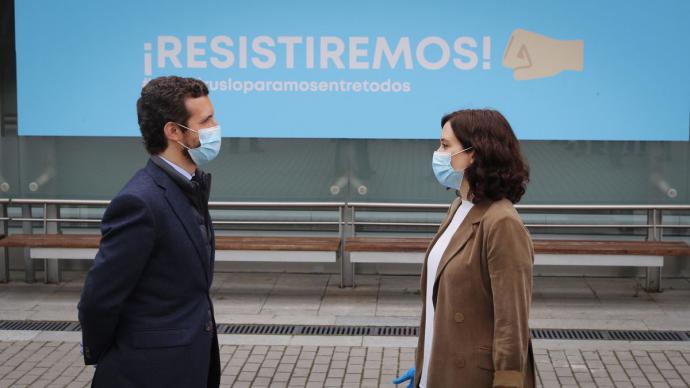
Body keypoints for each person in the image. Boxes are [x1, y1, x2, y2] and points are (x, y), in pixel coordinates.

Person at [78, 76, 222, 387]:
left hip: (188, 365)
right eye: (206, 119)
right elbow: (98, 299)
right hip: (148, 372)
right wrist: (114, 353)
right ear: (173, 131)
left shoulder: (187, 186)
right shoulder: (140, 201)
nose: (215, 126)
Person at [394, 109, 535, 387]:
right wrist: (425, 367)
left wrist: (508, 381)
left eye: (446, 146)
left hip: (473, 377)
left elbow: (512, 320)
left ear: (475, 153)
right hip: (440, 372)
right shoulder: (460, 206)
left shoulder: (502, 222)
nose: (438, 153)